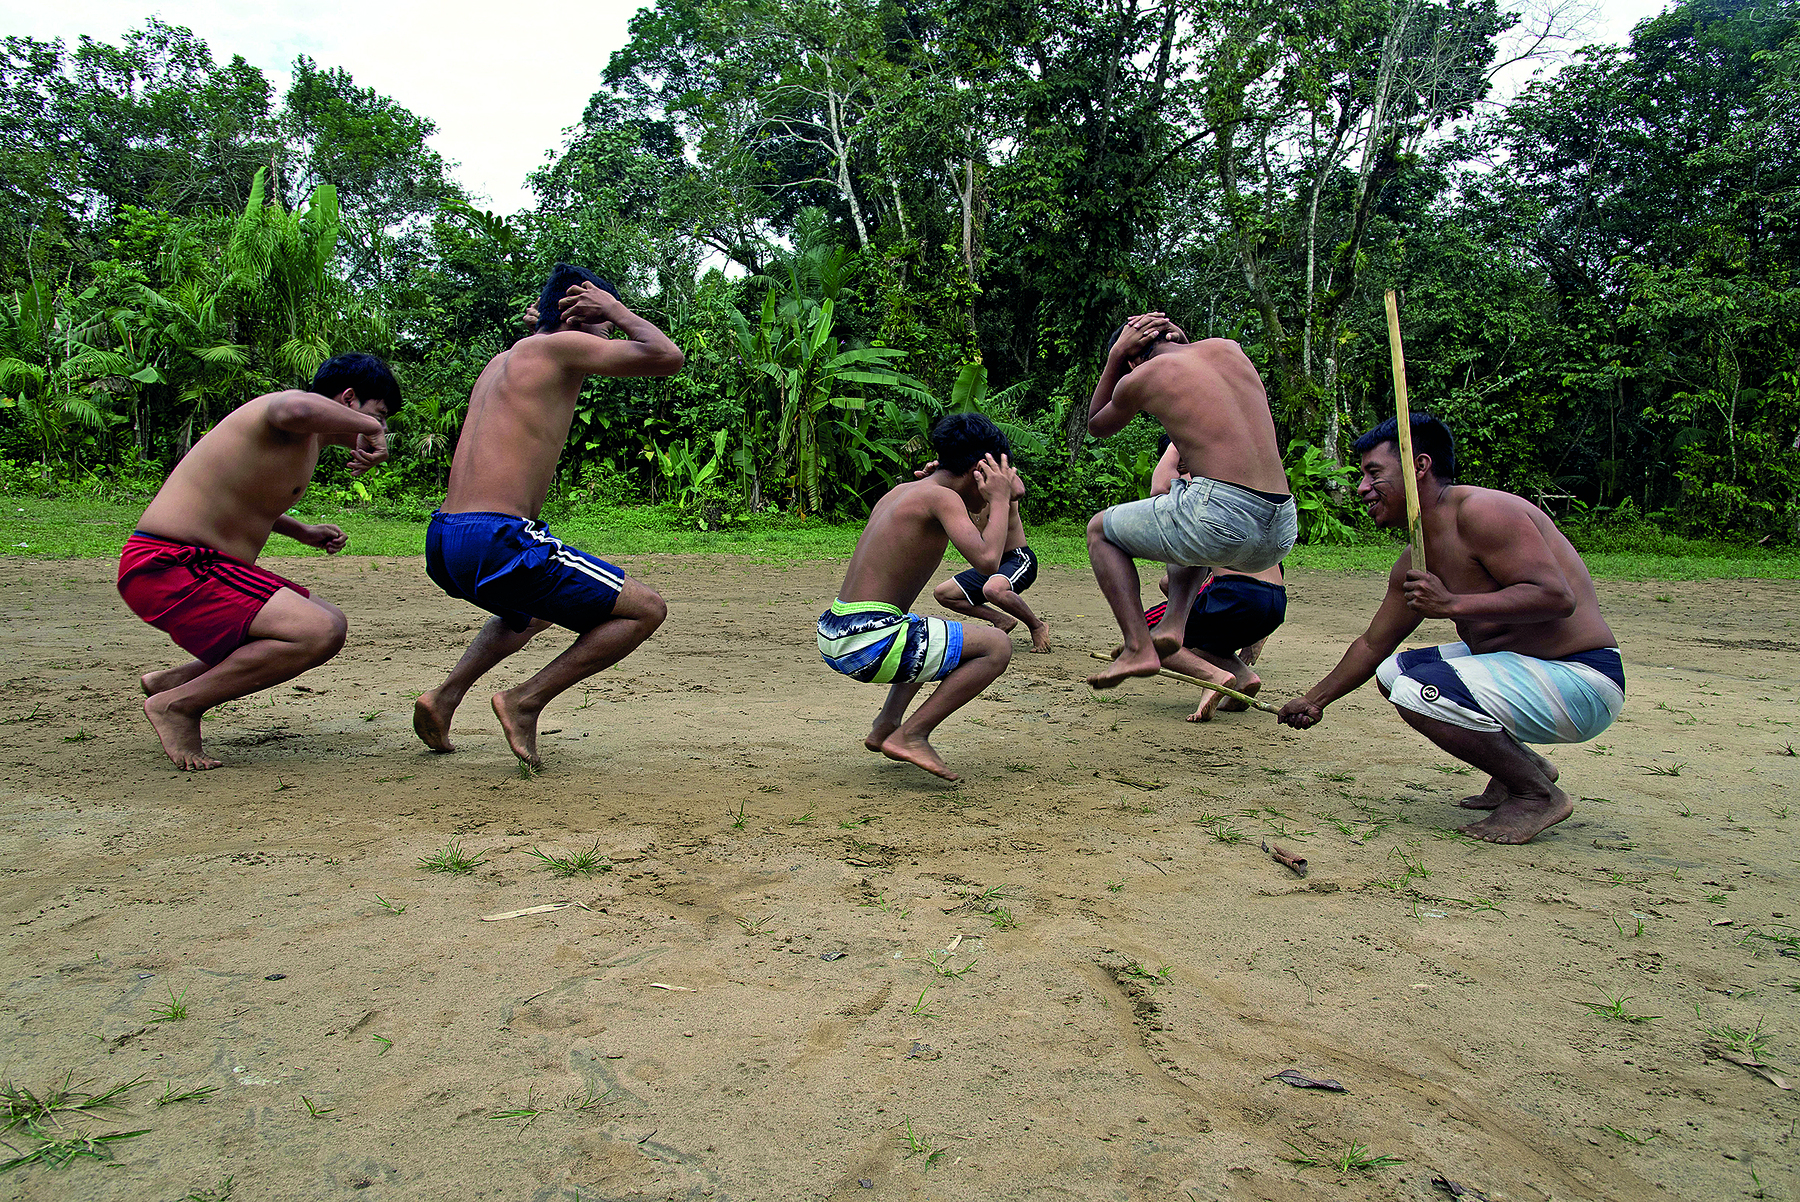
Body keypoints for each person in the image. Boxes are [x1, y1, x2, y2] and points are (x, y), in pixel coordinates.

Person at [1277, 414, 1625, 845]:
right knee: (1396, 674)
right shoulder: (1417, 555)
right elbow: (1373, 644)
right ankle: (1522, 768)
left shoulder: (1485, 511)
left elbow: (1556, 596)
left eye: (1374, 473)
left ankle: (1537, 795)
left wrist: (1453, 603)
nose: (1363, 488)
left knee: (1419, 687)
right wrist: (1314, 701)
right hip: (1525, 674)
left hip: (1581, 681)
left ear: (1418, 465)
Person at [412, 265, 683, 768]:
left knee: (533, 610)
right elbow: (667, 356)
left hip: (444, 538)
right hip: (496, 536)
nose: (607, 335)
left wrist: (557, 320)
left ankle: (443, 698)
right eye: (600, 323)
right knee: (645, 610)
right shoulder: (558, 347)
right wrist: (616, 310)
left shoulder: (506, 359)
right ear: (581, 311)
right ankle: (525, 700)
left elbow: (543, 350)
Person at [118, 353, 398, 770]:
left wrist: (301, 530)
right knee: (317, 630)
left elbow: (241, 496)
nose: (379, 428)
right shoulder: (285, 414)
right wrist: (372, 427)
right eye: (379, 414)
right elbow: (297, 405)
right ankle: (178, 705)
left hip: (199, 567)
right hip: (171, 564)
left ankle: (176, 681)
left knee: (325, 617)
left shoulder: (305, 445)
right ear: (349, 398)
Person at [1083, 313, 1297, 690]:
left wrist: (1116, 354)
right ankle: (1174, 624)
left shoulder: (1145, 374)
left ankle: (1137, 646)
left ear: (1133, 358)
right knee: (1183, 503)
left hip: (1223, 519)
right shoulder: (1230, 350)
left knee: (1100, 531)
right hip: (1282, 526)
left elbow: (1097, 424)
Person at [817, 414, 1022, 781]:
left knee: (928, 632)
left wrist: (1001, 493)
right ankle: (912, 734)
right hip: (865, 639)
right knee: (996, 646)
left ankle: (886, 724)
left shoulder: (907, 491)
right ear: (979, 469)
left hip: (838, 628)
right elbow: (990, 560)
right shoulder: (940, 498)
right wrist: (1001, 495)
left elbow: (981, 525)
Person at [1139, 439, 1286, 721]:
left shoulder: (1199, 485)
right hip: (1274, 602)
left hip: (1236, 594)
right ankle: (1243, 677)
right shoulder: (1243, 485)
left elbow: (1159, 489)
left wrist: (1178, 442)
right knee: (1199, 631)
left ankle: (1214, 677)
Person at [923, 457, 1050, 652]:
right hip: (993, 563)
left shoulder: (999, 492)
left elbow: (1018, 491)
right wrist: (934, 475)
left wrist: (991, 459)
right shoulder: (962, 497)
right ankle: (1002, 620)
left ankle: (1036, 625)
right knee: (944, 594)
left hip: (1018, 558)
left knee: (993, 589)